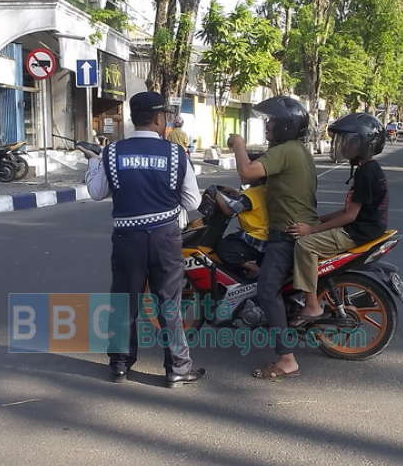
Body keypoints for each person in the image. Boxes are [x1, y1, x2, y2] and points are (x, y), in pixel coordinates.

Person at [80, 91, 206, 388]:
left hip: (127, 239)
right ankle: (177, 369)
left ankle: (120, 364)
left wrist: (93, 163)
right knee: (169, 303)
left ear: (132, 118)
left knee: (124, 302)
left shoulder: (112, 153)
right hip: (165, 238)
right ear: (159, 118)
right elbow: (191, 201)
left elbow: (97, 192)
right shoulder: (176, 154)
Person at [226, 96, 317, 380]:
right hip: (294, 227)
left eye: (272, 121)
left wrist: (239, 145)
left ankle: (286, 359)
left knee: (267, 291)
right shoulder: (295, 150)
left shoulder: (286, 150)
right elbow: (258, 178)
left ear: (286, 126)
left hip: (287, 235)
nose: (268, 125)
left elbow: (246, 171)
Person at [287, 113, 389, 325]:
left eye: (348, 141)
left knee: (305, 246)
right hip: (364, 227)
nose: (342, 145)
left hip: (357, 232)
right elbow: (349, 210)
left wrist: (310, 231)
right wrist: (319, 221)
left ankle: (312, 305)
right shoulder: (368, 168)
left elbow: (350, 216)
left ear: (364, 144)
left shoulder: (365, 174)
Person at [212, 179, 268, 279]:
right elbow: (243, 201)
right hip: (265, 234)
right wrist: (233, 191)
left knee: (223, 247)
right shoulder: (263, 190)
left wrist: (216, 194)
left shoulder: (251, 194)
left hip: (257, 237)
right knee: (232, 239)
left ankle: (253, 268)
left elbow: (229, 211)